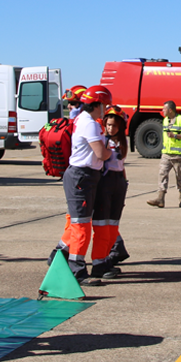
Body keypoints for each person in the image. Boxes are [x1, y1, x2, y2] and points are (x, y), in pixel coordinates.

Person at [49, 86, 115, 283]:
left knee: (78, 222)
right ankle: (76, 271)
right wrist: (112, 147)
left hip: (84, 176)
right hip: (82, 176)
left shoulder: (83, 120)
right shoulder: (90, 124)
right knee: (81, 225)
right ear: (98, 104)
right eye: (105, 105)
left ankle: (58, 255)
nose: (106, 109)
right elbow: (101, 154)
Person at [92, 107, 129, 280]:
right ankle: (99, 261)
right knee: (102, 225)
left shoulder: (121, 141)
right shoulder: (102, 140)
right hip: (105, 184)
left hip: (118, 183)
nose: (110, 129)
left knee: (113, 224)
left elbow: (121, 166)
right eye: (108, 125)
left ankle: (106, 257)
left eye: (114, 126)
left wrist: (124, 183)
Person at [147, 101, 181, 208]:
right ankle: (160, 199)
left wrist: (175, 136)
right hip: (166, 154)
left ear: (170, 110)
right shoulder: (165, 120)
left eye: (164, 109)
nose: (162, 111)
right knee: (162, 174)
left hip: (179, 155)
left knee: (180, 177)